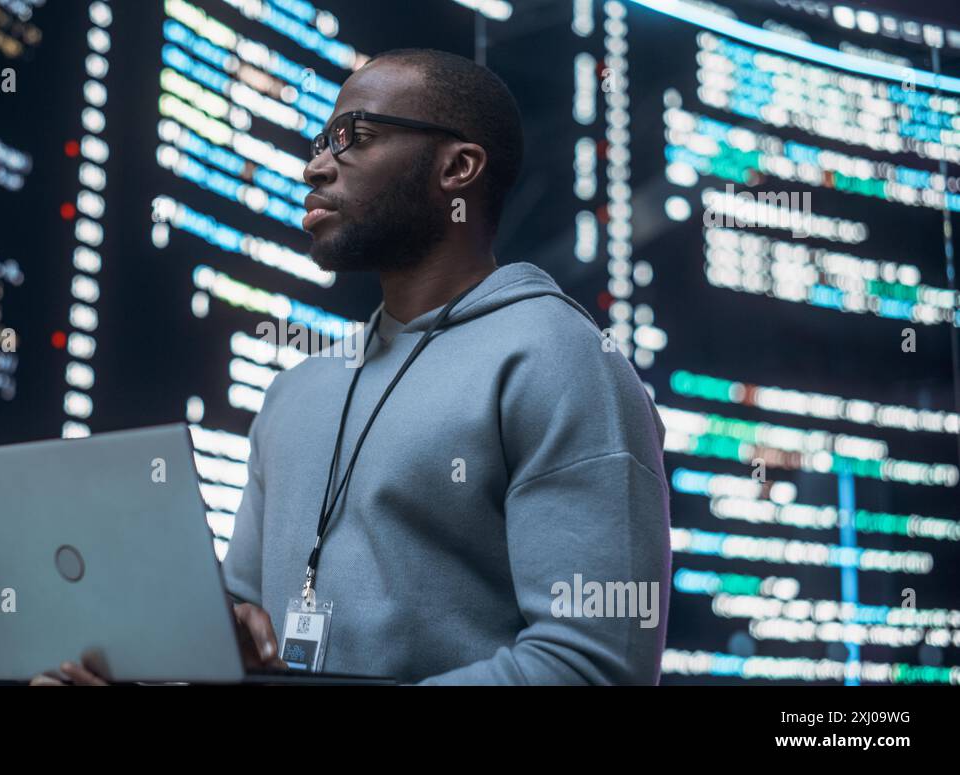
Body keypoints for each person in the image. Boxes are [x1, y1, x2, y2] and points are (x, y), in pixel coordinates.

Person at [34, 48, 670, 686]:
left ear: (458, 168)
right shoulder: (296, 390)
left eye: (352, 138)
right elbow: (237, 630)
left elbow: (591, 667)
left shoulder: (563, 359)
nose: (314, 167)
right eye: (319, 142)